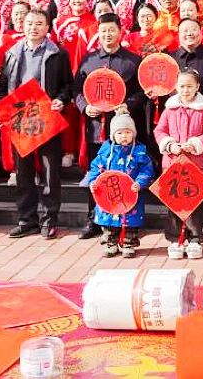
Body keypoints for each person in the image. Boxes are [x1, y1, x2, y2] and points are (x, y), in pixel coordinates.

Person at [0, 9, 73, 239]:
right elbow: (3, 87)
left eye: (39, 23)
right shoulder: (12, 53)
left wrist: (61, 100)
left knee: (51, 172)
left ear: (47, 27)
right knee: (23, 173)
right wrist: (4, 111)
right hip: (21, 120)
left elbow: (68, 85)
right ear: (22, 25)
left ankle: (49, 219)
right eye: (29, 23)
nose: (34, 27)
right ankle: (26, 219)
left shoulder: (58, 53)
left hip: (46, 118)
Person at [73, 14, 145, 239]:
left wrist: (128, 104)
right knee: (97, 173)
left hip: (123, 130)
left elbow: (142, 92)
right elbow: (76, 90)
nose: (107, 34)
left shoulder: (133, 61)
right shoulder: (88, 60)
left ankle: (127, 220)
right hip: (97, 128)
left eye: (111, 30)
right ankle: (94, 219)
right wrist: (85, 106)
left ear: (120, 32)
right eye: (103, 30)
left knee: (125, 174)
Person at [156, 69, 203, 259]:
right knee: (173, 203)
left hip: (196, 164)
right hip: (173, 163)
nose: (185, 90)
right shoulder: (170, 109)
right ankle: (175, 239)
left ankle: (195, 238)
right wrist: (170, 145)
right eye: (182, 86)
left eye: (190, 86)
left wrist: (195, 143)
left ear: (197, 87)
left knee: (195, 204)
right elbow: (160, 131)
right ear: (176, 87)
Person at [83, 113, 155, 258]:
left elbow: (147, 170)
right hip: (110, 194)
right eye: (120, 133)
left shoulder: (139, 152)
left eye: (128, 132)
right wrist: (93, 182)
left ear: (133, 133)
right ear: (113, 135)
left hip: (130, 194)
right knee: (109, 220)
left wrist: (139, 182)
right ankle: (111, 243)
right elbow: (95, 169)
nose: (124, 136)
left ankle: (128, 243)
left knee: (130, 221)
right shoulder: (105, 153)